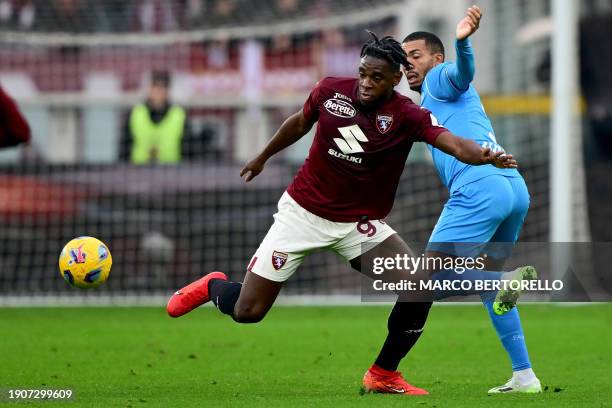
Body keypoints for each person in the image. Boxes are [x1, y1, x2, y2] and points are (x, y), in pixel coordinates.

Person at [166, 32, 518, 395]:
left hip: (357, 226)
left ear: (395, 79)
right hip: (301, 215)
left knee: (417, 287)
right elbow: (299, 123)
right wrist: (262, 156)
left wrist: (486, 155)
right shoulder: (330, 90)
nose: (365, 83)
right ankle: (212, 286)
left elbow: (455, 143)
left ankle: (383, 373)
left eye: (376, 77)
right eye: (363, 73)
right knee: (247, 312)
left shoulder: (409, 116)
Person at [394, 5, 541, 393]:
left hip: (478, 189)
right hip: (512, 187)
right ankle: (525, 376)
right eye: (403, 58)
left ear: (436, 59)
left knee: (423, 279)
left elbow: (461, 74)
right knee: (489, 288)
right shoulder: (424, 102)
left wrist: (464, 42)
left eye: (416, 56)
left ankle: (504, 278)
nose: (408, 64)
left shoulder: (439, 79)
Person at [122, 70, 189, 164]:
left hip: (172, 170)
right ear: (149, 89)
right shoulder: (135, 113)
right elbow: (125, 144)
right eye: (156, 87)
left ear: (168, 90)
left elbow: (188, 147)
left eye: (163, 87)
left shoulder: (179, 115)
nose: (159, 92)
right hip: (138, 170)